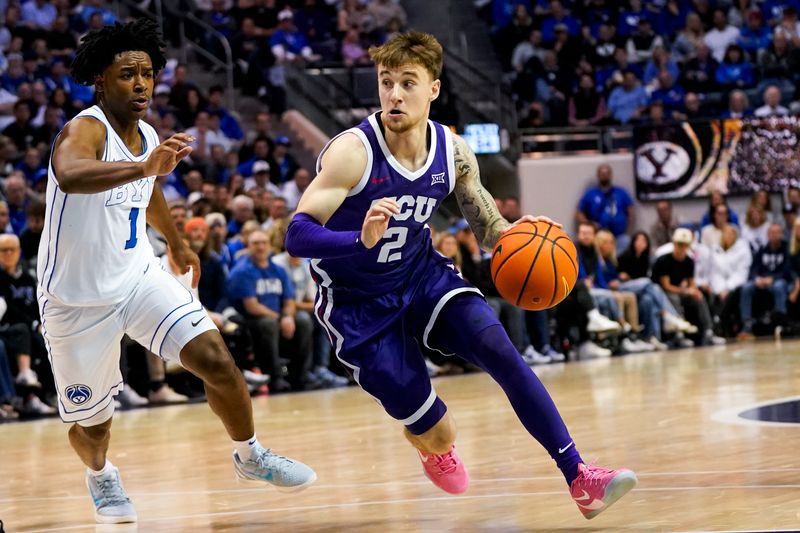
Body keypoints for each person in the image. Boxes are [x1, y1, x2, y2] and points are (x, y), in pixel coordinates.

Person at [284, 32, 636, 519]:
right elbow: (297, 234)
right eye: (387, 83)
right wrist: (356, 240)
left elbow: (490, 228)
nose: (394, 94)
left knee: (501, 350)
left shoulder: (453, 152)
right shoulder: (352, 153)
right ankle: (433, 445)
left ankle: (579, 477)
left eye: (408, 83)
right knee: (439, 429)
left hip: (422, 277)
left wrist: (526, 237)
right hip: (357, 305)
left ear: (433, 89)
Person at [37, 20, 315, 524]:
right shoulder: (86, 128)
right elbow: (71, 174)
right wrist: (146, 168)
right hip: (75, 300)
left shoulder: (144, 132)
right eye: (127, 74)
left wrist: (178, 241)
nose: (141, 83)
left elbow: (152, 187)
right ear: (100, 80)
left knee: (216, 359)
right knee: (93, 429)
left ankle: (251, 456)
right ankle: (100, 475)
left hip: (137, 275)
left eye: (147, 73)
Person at [652, 229, 725, 346]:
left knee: (698, 297)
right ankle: (678, 334)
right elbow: (666, 286)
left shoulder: (689, 261)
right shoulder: (664, 260)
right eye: (679, 244)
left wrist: (694, 291)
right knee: (674, 298)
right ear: (674, 243)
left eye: (685, 245)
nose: (682, 248)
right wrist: (685, 290)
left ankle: (708, 331)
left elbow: (691, 282)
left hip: (679, 291)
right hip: (662, 294)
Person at [738, 223, 792, 339]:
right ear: (768, 235)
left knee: (779, 286)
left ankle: (779, 323)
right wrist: (757, 279)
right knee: (746, 287)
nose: (774, 235)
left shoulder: (786, 249)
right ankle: (747, 324)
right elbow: (753, 269)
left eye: (777, 232)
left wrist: (772, 278)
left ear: (781, 234)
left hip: (779, 280)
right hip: (762, 281)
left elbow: (787, 271)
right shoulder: (762, 249)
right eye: (771, 233)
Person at [576, 164, 635, 252]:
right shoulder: (590, 193)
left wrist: (628, 231)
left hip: (619, 236)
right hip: (598, 236)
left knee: (626, 242)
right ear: (598, 175)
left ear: (611, 175)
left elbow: (631, 212)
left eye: (607, 173)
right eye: (602, 173)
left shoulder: (621, 192)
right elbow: (579, 213)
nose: (604, 175)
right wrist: (590, 225)